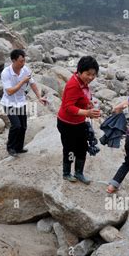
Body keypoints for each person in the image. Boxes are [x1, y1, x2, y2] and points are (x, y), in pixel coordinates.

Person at [57, 56, 101, 184]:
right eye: (88, 74)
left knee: (82, 147)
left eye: (93, 74)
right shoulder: (73, 85)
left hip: (79, 122)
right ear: (80, 71)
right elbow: (68, 107)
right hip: (67, 123)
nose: (91, 77)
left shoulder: (83, 83)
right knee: (70, 148)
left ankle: (79, 172)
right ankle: (66, 173)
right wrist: (87, 112)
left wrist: (88, 104)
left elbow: (81, 99)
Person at [1, 49, 48, 157]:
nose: (23, 63)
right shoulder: (6, 73)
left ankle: (19, 147)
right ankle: (10, 147)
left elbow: (33, 84)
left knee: (23, 127)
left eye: (24, 60)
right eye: (21, 61)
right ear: (13, 60)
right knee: (16, 126)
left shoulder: (25, 70)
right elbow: (9, 91)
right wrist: (22, 81)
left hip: (21, 102)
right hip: (9, 103)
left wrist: (39, 97)